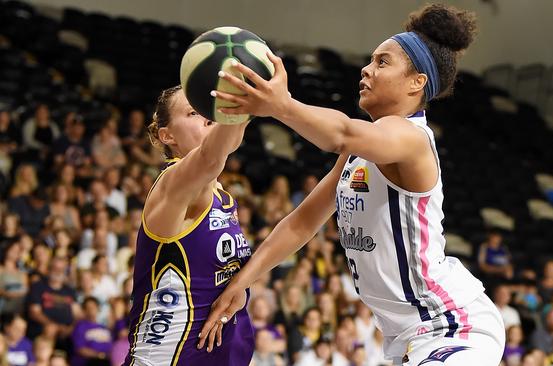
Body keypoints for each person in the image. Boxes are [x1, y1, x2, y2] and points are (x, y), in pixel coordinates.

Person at [198, 4, 505, 365]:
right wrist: (243, 281)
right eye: (371, 60)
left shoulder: (411, 139)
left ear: (416, 82)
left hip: (452, 324)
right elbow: (302, 222)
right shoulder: (360, 153)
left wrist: (281, 105)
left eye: (382, 62)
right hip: (406, 337)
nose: (366, 68)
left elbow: (341, 133)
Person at [122, 85, 255, 365]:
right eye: (194, 112)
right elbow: (210, 156)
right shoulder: (172, 183)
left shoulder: (224, 199)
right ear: (167, 135)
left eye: (210, 109)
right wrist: (244, 95)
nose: (209, 116)